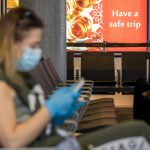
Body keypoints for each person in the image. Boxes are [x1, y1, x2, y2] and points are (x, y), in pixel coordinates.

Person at [0, 7, 150, 149]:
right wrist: (50, 109)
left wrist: (57, 116)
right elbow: (12, 141)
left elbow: (33, 123)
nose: (37, 52)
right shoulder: (3, 84)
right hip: (49, 147)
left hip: (55, 140)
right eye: (33, 46)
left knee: (140, 129)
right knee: (141, 132)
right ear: (12, 44)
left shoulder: (23, 78)